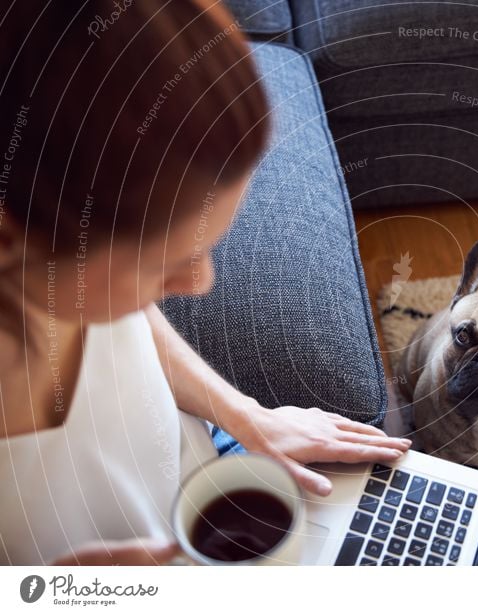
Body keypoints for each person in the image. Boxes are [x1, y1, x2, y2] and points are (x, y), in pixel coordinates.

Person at [0, 0, 410, 565]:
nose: (201, 282)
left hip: (196, 476)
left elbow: (132, 324)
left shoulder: (63, 273)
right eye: (162, 263)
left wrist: (246, 418)